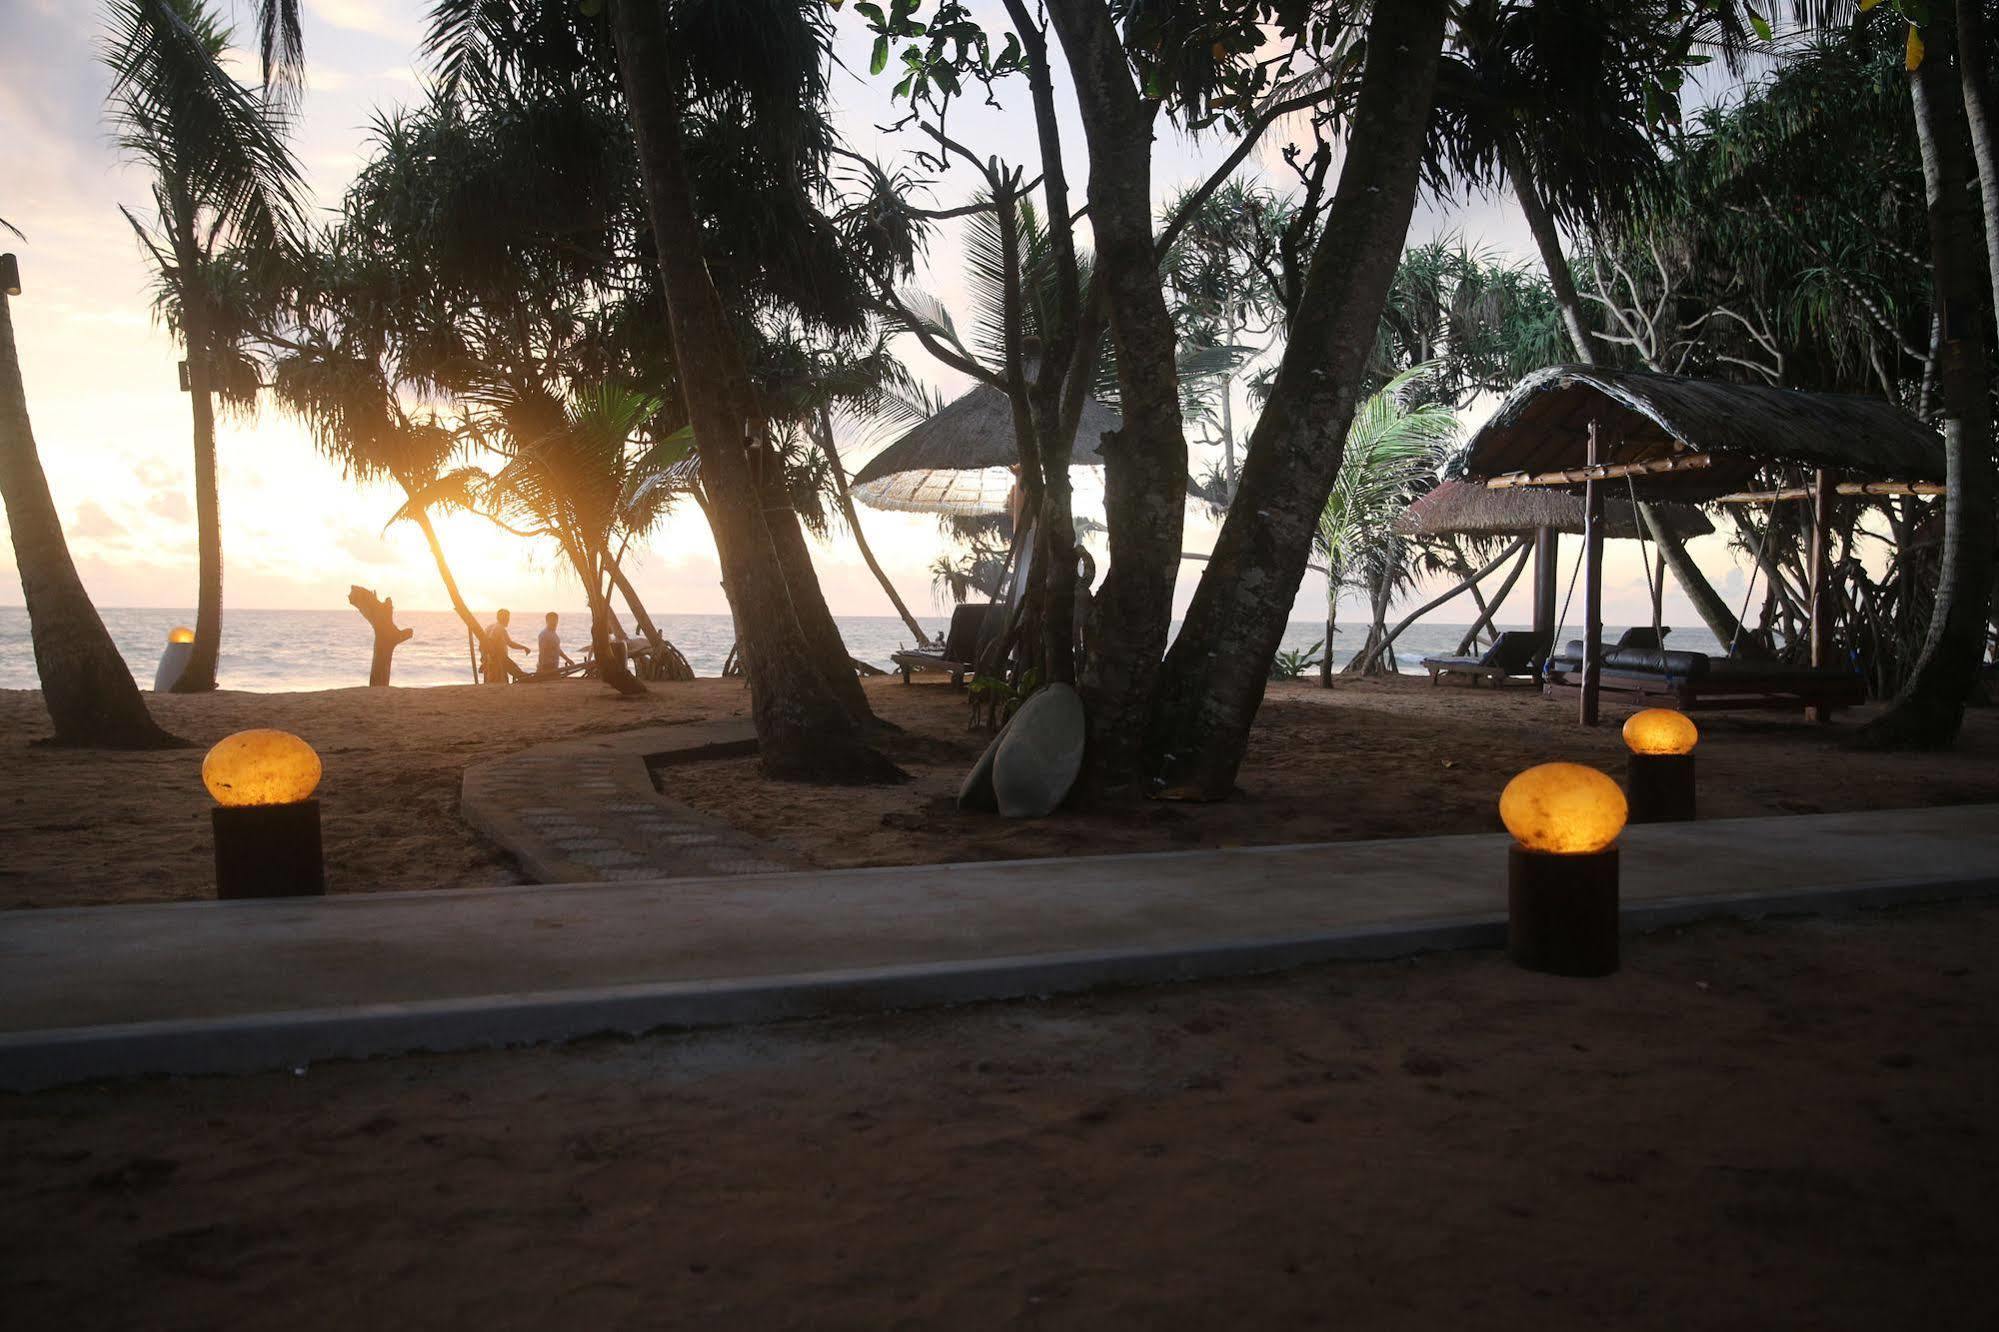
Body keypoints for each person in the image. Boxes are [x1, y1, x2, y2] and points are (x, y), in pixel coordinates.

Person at [481, 608, 526, 684]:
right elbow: (510, 643)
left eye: (508, 618)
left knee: (490, 683)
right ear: (503, 618)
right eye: (507, 618)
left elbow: (482, 645)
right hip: (497, 661)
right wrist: (524, 647)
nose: (508, 620)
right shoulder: (499, 628)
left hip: (489, 660)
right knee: (499, 683)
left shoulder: (489, 627)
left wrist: (484, 659)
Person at [536, 612, 575, 679]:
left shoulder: (554, 634)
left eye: (555, 620)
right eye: (551, 621)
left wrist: (568, 659)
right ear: (546, 621)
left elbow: (557, 649)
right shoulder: (544, 634)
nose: (554, 623)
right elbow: (542, 652)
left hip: (554, 666)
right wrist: (541, 668)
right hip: (546, 667)